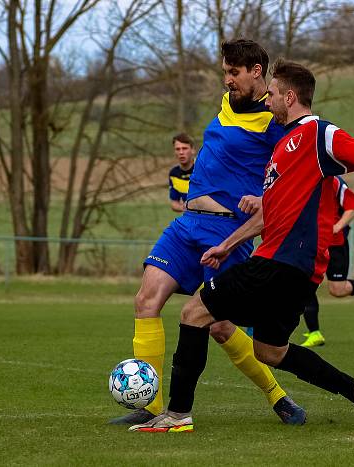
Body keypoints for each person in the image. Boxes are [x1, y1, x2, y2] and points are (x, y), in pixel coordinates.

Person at [130, 59, 354, 433]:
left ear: (290, 96)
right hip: (296, 272)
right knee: (269, 350)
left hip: (281, 261)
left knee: (195, 312)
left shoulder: (317, 132)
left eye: (271, 94)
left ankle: (177, 414)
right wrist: (228, 244)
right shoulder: (280, 147)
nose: (267, 100)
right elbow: (268, 214)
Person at [110, 39, 306, 426]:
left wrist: (262, 196)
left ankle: (277, 395)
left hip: (227, 230)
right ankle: (150, 406)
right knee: (146, 300)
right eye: (225, 72)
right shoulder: (226, 103)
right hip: (186, 224)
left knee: (218, 326)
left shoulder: (274, 121)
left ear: (256, 72)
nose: (227, 79)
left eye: (234, 72)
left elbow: (289, 172)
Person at [301, 176, 354, 347]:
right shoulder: (305, 176)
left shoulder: (333, 181)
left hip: (335, 244)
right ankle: (314, 332)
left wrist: (336, 227)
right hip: (312, 243)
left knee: (337, 290)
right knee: (305, 284)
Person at [168, 133, 196, 213]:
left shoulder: (203, 170)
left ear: (193, 150)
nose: (181, 152)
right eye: (178, 149)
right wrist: (184, 208)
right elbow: (174, 203)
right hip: (190, 218)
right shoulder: (174, 174)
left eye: (184, 148)